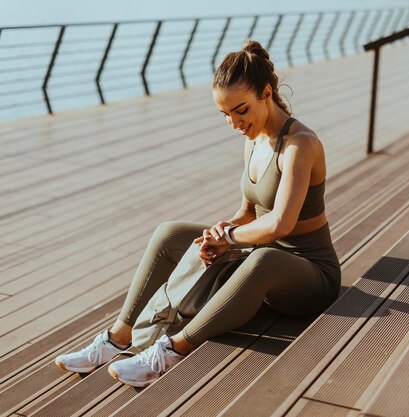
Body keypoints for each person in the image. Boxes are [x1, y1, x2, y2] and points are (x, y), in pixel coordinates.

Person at [54, 39, 341, 388]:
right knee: (170, 233)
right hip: (260, 258)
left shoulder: (300, 144)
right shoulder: (252, 138)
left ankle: (171, 350)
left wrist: (230, 238)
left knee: (263, 259)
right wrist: (220, 232)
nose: (234, 122)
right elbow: (249, 211)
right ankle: (118, 338)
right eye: (226, 114)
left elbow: (281, 222)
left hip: (310, 276)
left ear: (267, 93)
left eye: (241, 110)